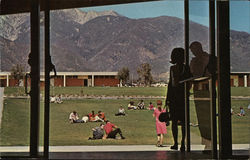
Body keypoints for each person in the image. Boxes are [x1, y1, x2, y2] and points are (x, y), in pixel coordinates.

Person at [166, 48, 191, 151]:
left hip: (174, 98)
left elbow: (170, 84)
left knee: (174, 122)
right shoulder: (186, 68)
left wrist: (167, 98)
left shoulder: (173, 69)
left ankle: (176, 142)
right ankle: (183, 143)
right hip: (183, 98)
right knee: (184, 122)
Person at [190, 41, 211, 151]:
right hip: (197, 91)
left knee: (207, 118)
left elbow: (198, 72)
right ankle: (207, 142)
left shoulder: (205, 58)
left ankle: (210, 142)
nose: (193, 53)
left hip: (206, 90)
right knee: (201, 119)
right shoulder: (195, 60)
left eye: (193, 50)